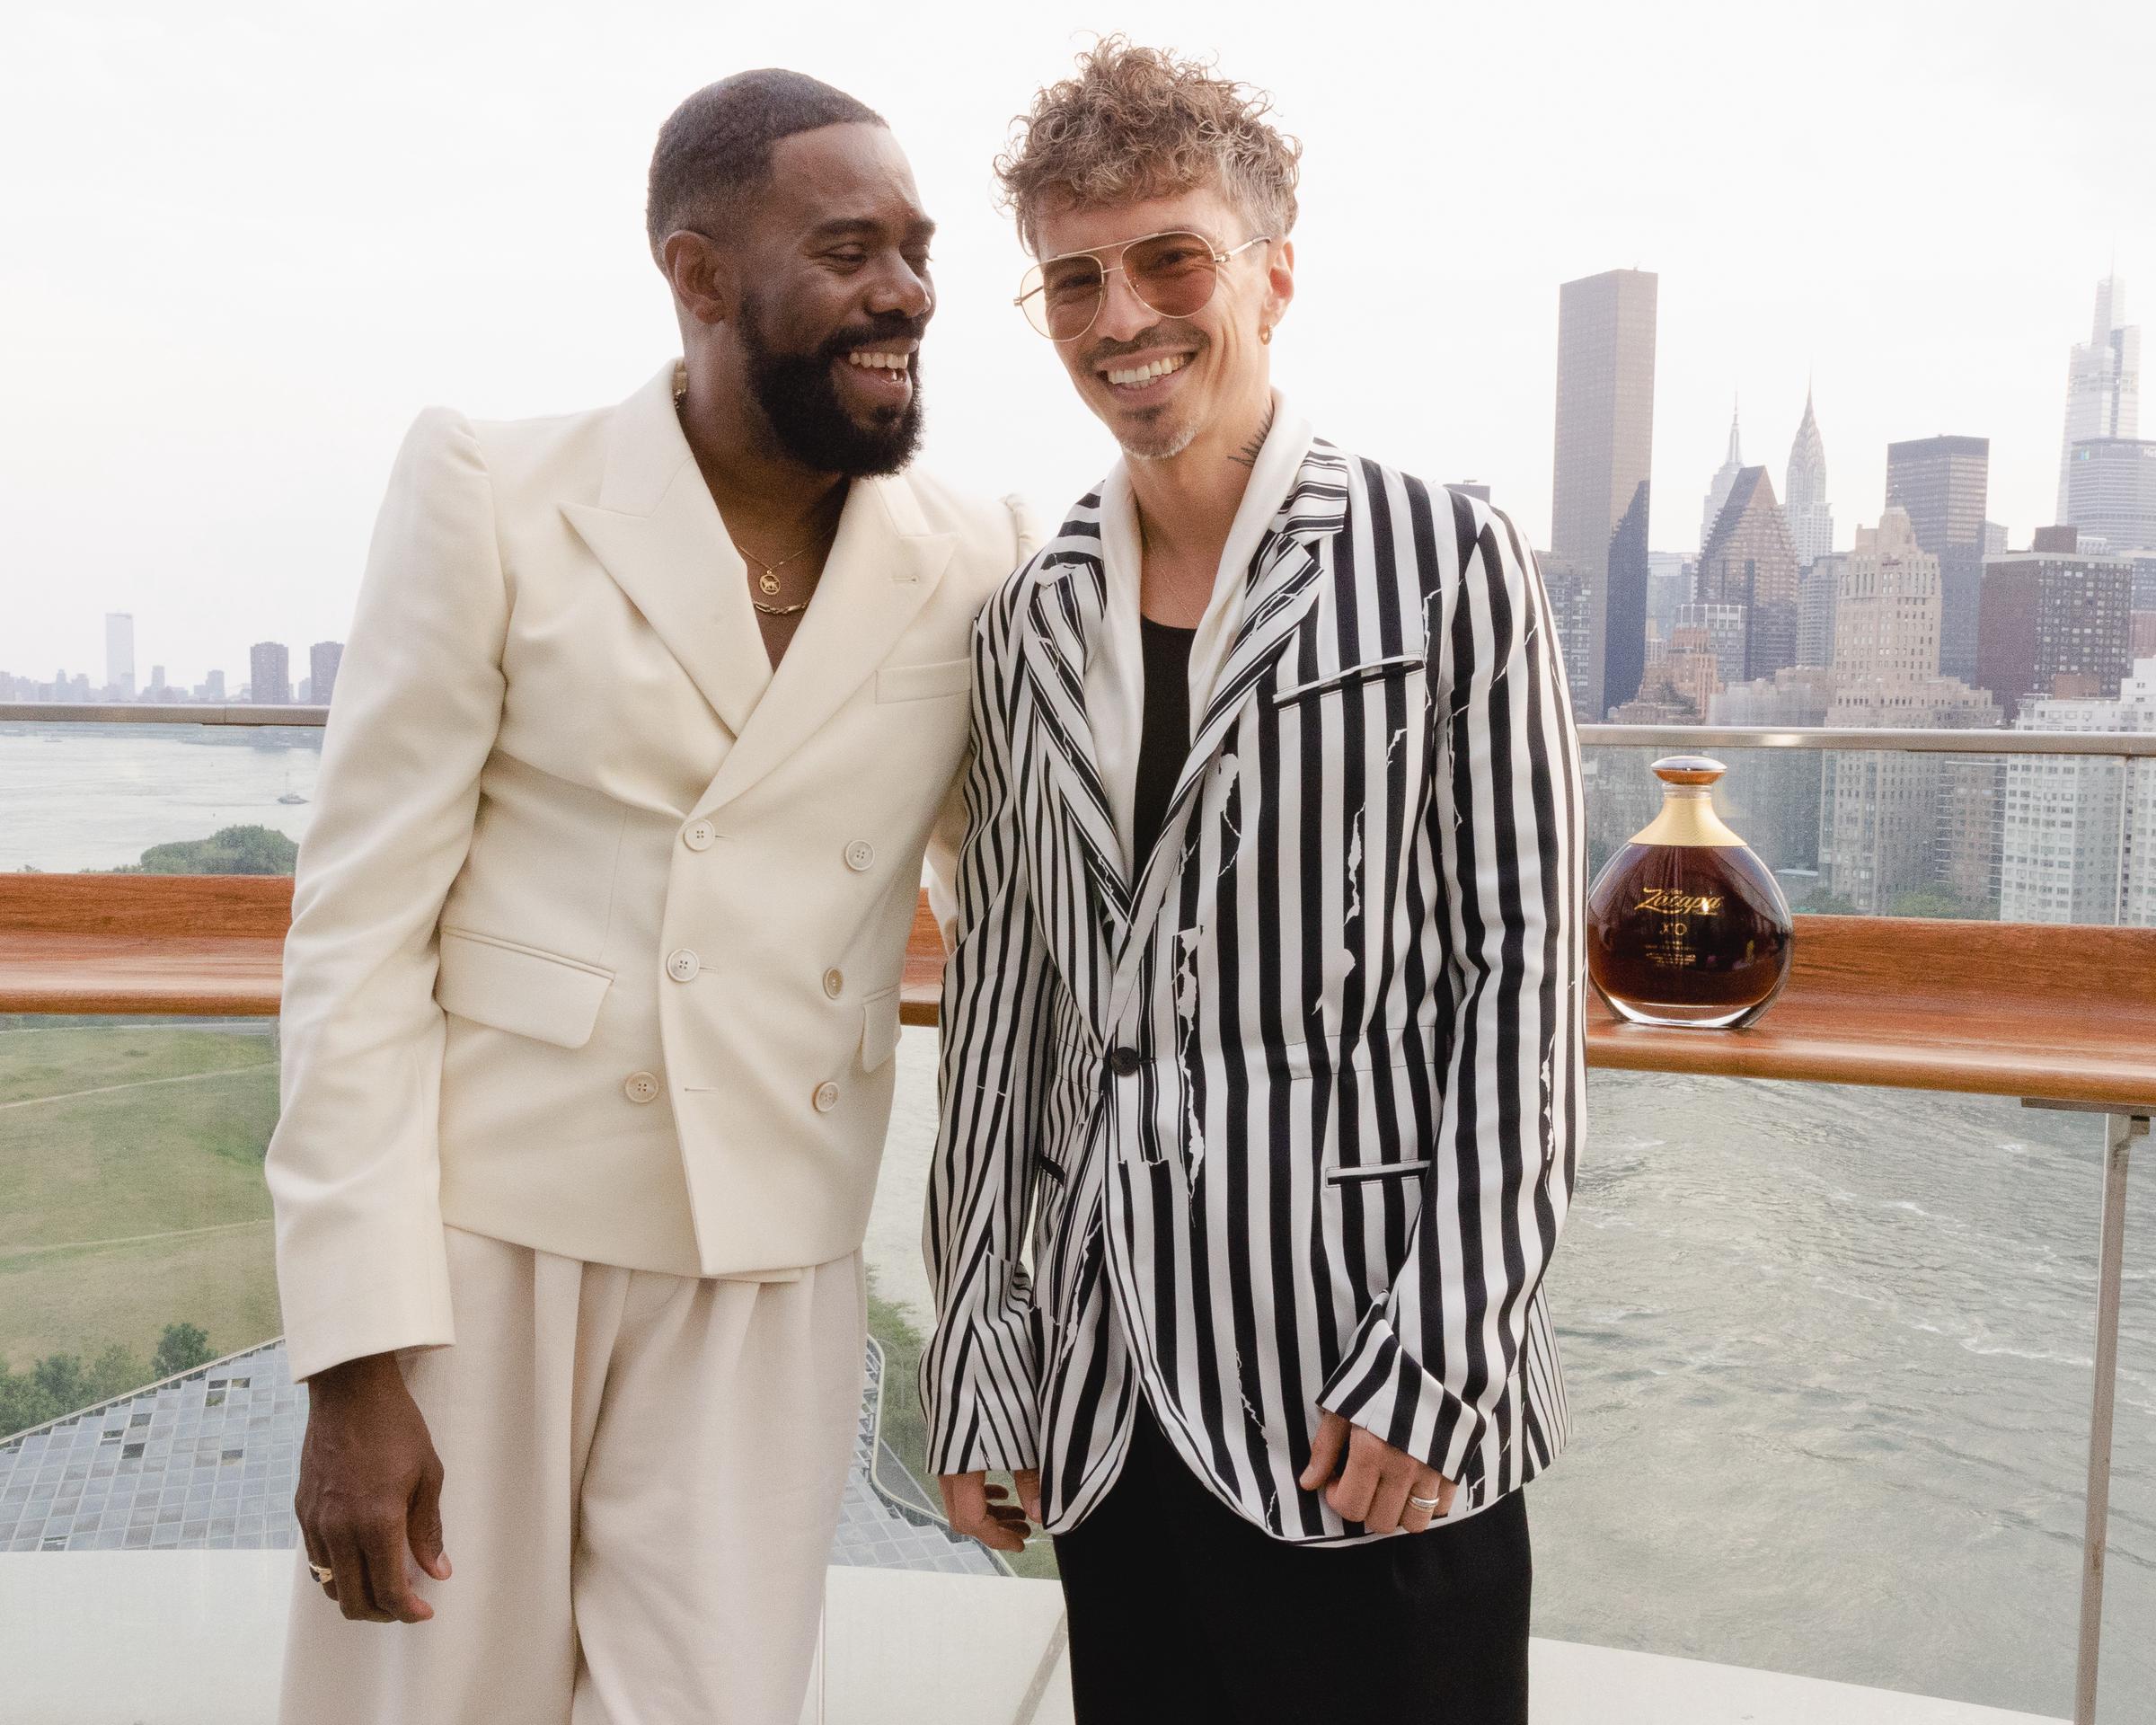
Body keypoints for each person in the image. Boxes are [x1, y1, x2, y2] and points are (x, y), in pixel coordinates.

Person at [268, 69, 1030, 1725]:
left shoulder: (981, 558)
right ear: (698, 275)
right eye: (848, 250)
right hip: (485, 1251)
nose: (907, 292)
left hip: (774, 1265)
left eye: (916, 250)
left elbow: (1027, 938)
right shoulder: (494, 489)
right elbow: (359, 935)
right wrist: (351, 1357)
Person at [921, 40, 1584, 1723]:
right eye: (1075, 281)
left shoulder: (1448, 566)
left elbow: (1519, 989)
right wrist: (981, 1358)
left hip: (1373, 1403)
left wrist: (1443, 1355)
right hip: (1113, 1404)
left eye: (1171, 261)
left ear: (1274, 276)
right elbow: (1007, 1019)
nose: (1121, 318)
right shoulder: (1026, 622)